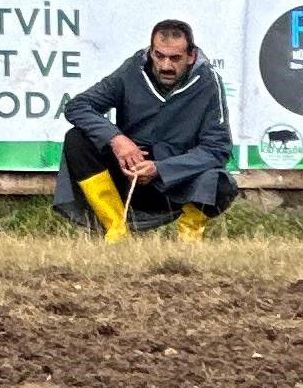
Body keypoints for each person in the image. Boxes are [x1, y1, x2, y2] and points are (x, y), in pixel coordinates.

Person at [56, 16, 233, 242]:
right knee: (77, 138)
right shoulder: (132, 70)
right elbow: (78, 107)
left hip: (175, 182)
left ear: (191, 56)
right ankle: (116, 229)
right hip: (128, 174)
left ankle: (188, 238)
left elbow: (217, 149)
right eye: (159, 56)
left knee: (220, 180)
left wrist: (161, 168)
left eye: (175, 58)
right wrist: (117, 139)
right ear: (151, 52)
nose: (166, 66)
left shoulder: (208, 82)